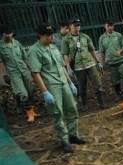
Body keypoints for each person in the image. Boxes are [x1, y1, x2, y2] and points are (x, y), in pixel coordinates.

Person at [28, 23, 85, 153]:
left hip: (63, 83)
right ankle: (64, 140)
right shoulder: (34, 51)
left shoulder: (53, 47)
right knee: (57, 113)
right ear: (41, 36)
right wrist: (45, 92)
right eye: (48, 35)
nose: (52, 37)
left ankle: (73, 135)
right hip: (51, 86)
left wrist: (70, 83)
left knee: (72, 109)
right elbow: (35, 73)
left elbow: (61, 67)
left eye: (52, 34)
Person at [62, 17, 106, 111]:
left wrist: (98, 62)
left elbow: (92, 50)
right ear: (70, 26)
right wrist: (68, 67)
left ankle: (101, 102)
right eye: (75, 26)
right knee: (82, 86)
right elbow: (65, 54)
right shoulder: (66, 39)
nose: (78, 27)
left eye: (79, 25)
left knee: (97, 83)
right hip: (78, 67)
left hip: (90, 64)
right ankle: (85, 104)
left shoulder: (85, 37)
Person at [0, 24, 37, 122]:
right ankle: (29, 115)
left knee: (29, 91)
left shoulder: (17, 43)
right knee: (23, 93)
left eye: (10, 33)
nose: (9, 35)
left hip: (24, 70)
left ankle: (32, 111)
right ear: (3, 35)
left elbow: (24, 57)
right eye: (7, 34)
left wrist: (32, 69)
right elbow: (1, 62)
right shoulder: (1, 46)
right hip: (13, 73)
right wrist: (4, 75)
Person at [98, 19, 123, 100]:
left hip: (121, 61)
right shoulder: (102, 38)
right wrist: (103, 63)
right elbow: (102, 51)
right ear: (105, 26)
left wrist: (120, 51)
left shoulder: (118, 35)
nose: (111, 27)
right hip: (111, 63)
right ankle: (119, 94)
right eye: (109, 26)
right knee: (115, 80)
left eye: (112, 26)